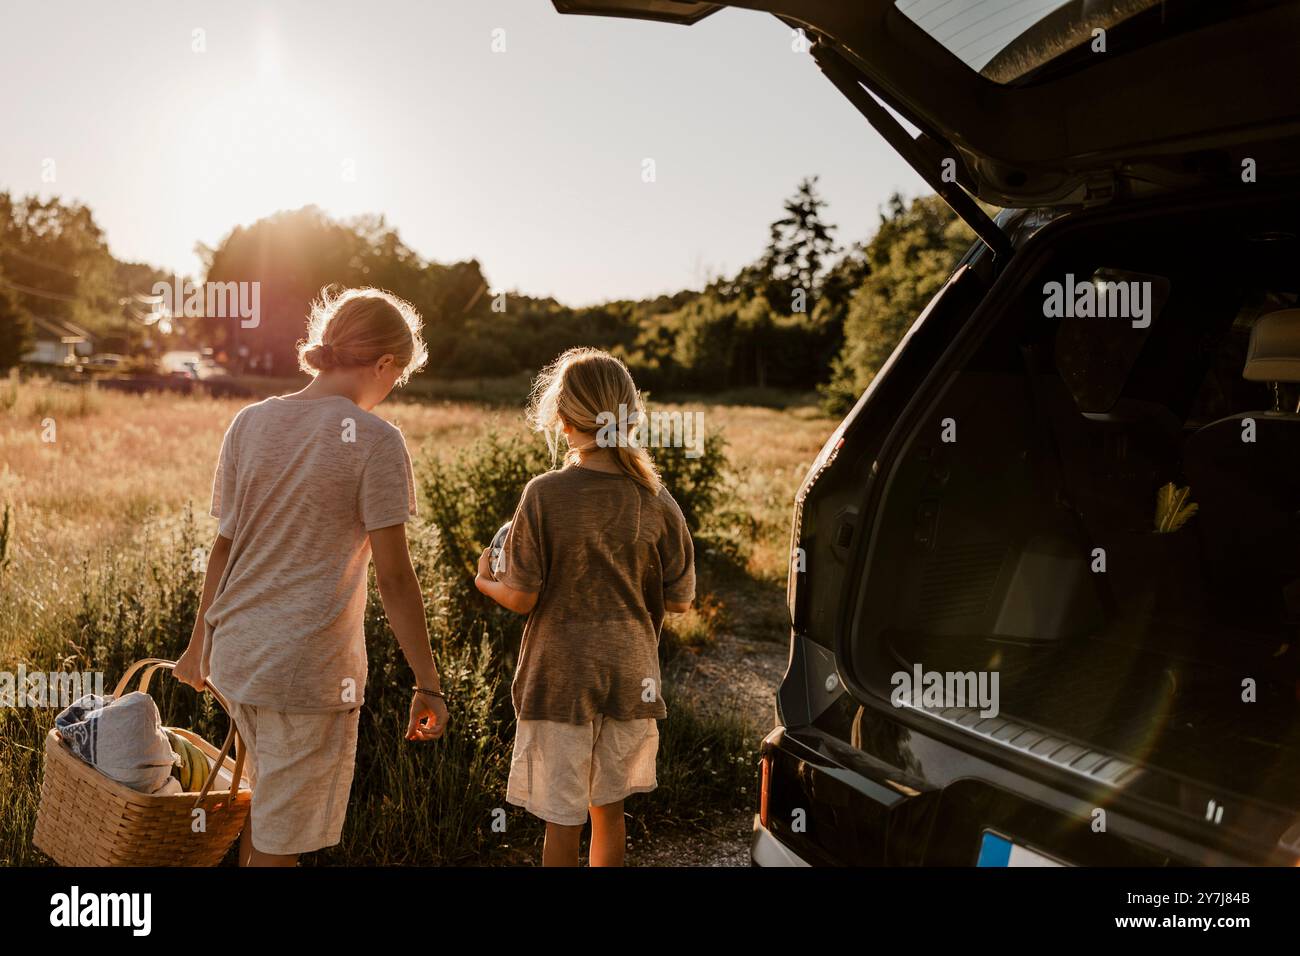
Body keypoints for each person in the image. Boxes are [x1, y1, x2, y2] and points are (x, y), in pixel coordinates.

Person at [175, 286, 450, 867]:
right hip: (305, 674)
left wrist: (199, 645)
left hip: (238, 658)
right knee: (282, 843)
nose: (389, 391)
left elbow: (223, 548)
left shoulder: (250, 422)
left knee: (262, 814)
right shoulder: (376, 441)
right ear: (383, 364)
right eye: (395, 377)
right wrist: (429, 682)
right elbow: (396, 580)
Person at [475, 347, 695, 866]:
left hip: (560, 679)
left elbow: (523, 596)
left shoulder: (545, 494)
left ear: (563, 417)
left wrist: (486, 581)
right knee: (608, 811)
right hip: (630, 676)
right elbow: (681, 600)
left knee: (562, 819)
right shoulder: (657, 498)